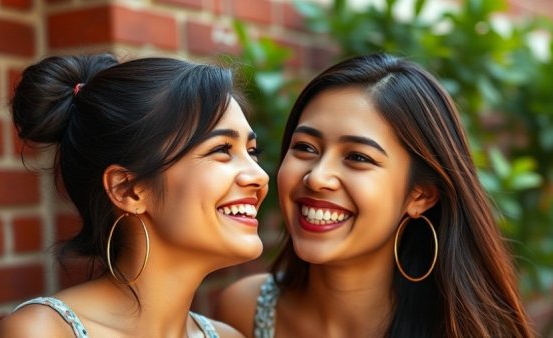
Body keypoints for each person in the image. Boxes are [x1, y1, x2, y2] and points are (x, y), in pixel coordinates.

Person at [215, 53, 534, 338]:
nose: (318, 177)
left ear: (419, 195)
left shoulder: (461, 329)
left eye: (358, 157)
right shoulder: (242, 311)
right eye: (306, 148)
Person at [0, 53, 269, 338]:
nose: (260, 176)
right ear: (128, 189)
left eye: (251, 152)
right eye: (222, 149)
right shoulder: (43, 333)